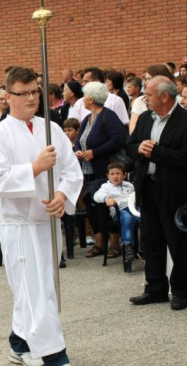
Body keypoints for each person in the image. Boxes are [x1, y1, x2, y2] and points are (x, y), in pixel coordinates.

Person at [0, 67, 82, 366]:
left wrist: (63, 195)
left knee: (40, 289)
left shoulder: (52, 129)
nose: (31, 98)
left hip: (48, 222)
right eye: (23, 93)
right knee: (35, 292)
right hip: (19, 226)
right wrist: (34, 168)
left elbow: (71, 171)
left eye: (35, 92)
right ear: (7, 97)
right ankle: (56, 359)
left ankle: (19, 343)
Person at [127, 76, 187, 311]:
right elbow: (129, 147)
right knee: (151, 240)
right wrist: (139, 150)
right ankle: (155, 288)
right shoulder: (145, 118)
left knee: (176, 242)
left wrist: (155, 152)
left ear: (165, 96)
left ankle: (181, 291)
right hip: (148, 186)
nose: (146, 98)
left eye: (150, 94)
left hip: (175, 191)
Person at [74, 82, 126, 258]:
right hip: (87, 170)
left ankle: (114, 244)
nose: (82, 99)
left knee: (107, 205)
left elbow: (119, 138)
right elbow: (78, 142)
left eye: (84, 96)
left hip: (104, 169)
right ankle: (99, 243)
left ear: (91, 98)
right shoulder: (87, 119)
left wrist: (95, 152)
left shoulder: (108, 116)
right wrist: (78, 151)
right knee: (91, 204)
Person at [94, 162, 138, 261]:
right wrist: (107, 198)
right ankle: (128, 246)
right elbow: (97, 195)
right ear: (108, 176)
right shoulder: (106, 187)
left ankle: (144, 247)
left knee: (146, 218)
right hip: (119, 211)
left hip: (132, 208)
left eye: (118, 173)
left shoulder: (130, 185)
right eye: (112, 174)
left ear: (124, 175)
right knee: (127, 218)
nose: (115, 176)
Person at [129, 64, 175, 134]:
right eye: (145, 79)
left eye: (149, 79)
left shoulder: (177, 100)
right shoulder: (140, 101)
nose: (146, 82)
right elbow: (132, 132)